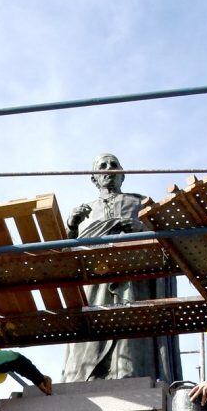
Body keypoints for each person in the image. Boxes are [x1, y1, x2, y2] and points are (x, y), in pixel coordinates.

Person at [61, 152, 182, 383]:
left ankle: (127, 371)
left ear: (122, 175)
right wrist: (72, 227)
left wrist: (139, 227)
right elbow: (67, 256)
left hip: (132, 274)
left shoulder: (139, 202)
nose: (109, 169)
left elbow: (163, 241)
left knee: (130, 321)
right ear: (94, 178)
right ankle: (86, 375)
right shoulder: (83, 211)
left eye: (114, 165)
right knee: (92, 321)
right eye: (103, 166)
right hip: (95, 279)